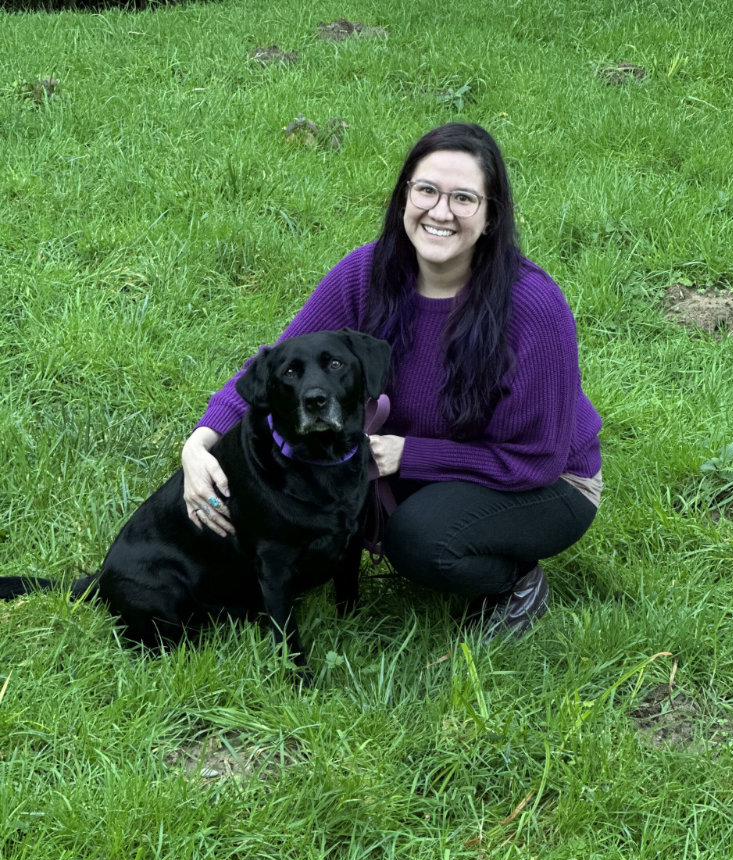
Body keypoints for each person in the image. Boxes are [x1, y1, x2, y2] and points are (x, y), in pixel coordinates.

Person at [181, 122, 602, 640]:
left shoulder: (533, 306)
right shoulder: (367, 272)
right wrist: (200, 442)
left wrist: (410, 455)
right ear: (405, 196)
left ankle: (515, 583)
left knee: (419, 540)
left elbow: (537, 459)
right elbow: (280, 366)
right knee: (309, 470)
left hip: (548, 483)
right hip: (432, 454)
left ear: (491, 214)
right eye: (426, 190)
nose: (440, 212)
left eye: (463, 198)